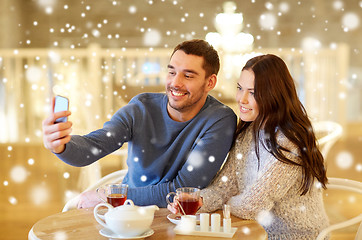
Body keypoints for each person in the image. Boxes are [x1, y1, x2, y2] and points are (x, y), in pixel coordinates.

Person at [42, 39, 237, 208]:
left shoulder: (219, 119)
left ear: (210, 82)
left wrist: (108, 197)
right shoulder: (141, 108)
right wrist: (61, 145)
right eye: (171, 72)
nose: (175, 83)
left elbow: (184, 189)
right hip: (128, 215)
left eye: (188, 76)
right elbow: (95, 145)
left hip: (180, 218)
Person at [168, 54, 329, 239]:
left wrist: (223, 203)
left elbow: (251, 207)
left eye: (252, 93)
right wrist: (196, 202)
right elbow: (223, 188)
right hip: (255, 232)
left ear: (274, 95)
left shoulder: (289, 142)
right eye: (240, 88)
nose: (241, 99)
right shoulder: (248, 132)